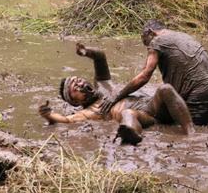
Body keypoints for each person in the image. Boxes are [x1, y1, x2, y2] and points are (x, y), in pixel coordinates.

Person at [39, 43, 195, 145]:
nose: (80, 85)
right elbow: (66, 120)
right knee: (127, 113)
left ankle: (191, 133)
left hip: (153, 104)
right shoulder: (88, 112)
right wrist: (49, 115)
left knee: (165, 89)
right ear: (75, 102)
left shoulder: (103, 85)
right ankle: (130, 134)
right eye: (75, 89)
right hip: (145, 117)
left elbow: (100, 57)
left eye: (78, 80)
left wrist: (86, 51)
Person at [100, 20, 208, 125]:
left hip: (204, 94)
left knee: (173, 122)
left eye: (145, 40)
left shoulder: (157, 41)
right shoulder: (182, 35)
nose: (147, 46)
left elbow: (144, 76)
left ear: (151, 33)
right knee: (206, 111)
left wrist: (117, 96)